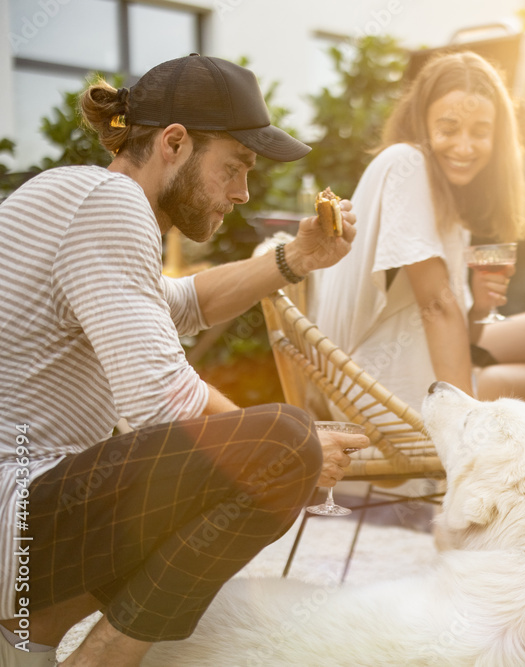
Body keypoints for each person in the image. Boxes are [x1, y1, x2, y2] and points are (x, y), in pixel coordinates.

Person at [0, 55, 367, 667]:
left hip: (23, 524)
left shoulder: (79, 196)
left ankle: (24, 638)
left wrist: (297, 257)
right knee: (281, 443)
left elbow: (187, 301)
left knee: (263, 450)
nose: (243, 192)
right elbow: (160, 401)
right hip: (17, 518)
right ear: (174, 143)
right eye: (235, 167)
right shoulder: (109, 202)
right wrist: (293, 452)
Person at [310, 51, 525, 412]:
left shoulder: (446, 198)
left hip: (399, 383)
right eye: (449, 128)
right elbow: (438, 310)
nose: (465, 146)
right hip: (378, 397)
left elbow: (451, 329)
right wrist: (466, 429)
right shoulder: (407, 164)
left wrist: (479, 307)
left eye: (480, 132)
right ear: (421, 122)